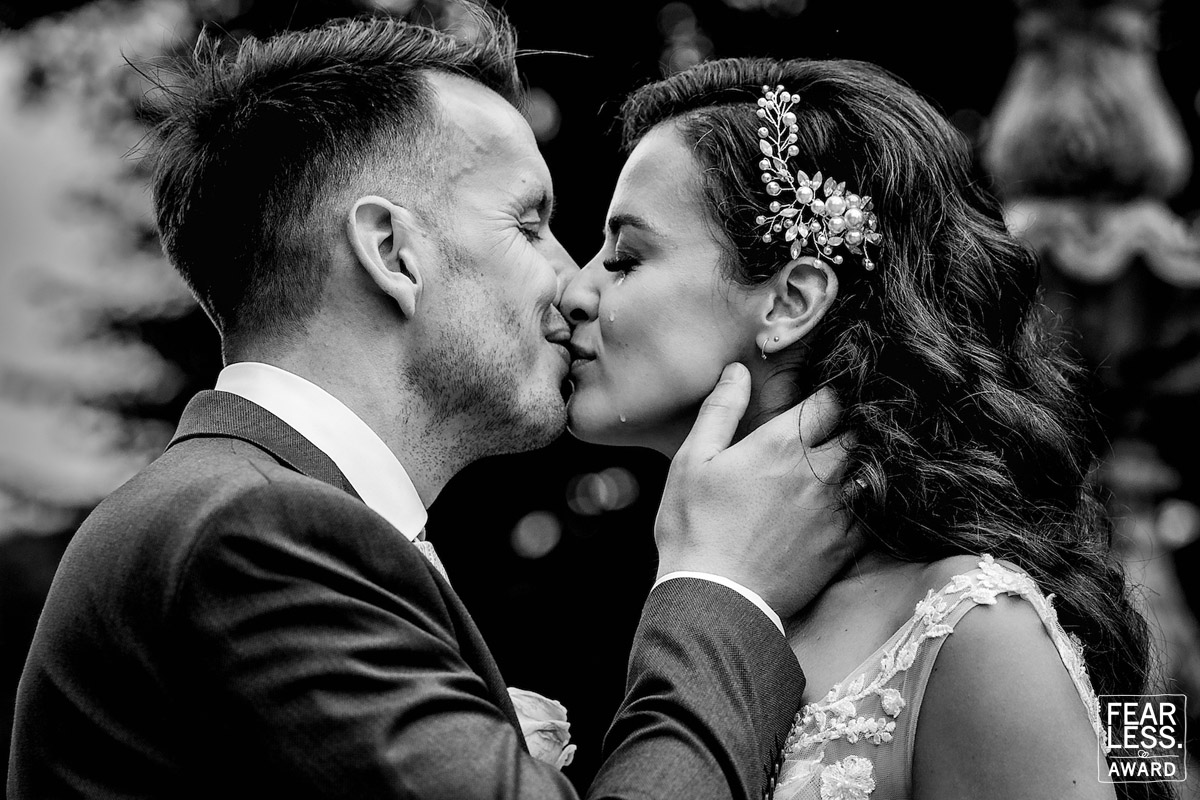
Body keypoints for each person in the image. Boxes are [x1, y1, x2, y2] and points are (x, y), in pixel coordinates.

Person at [5, 13, 859, 800]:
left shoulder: (255, 514)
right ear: (392, 252)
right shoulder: (252, 533)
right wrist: (723, 590)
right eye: (529, 225)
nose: (572, 283)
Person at [561, 56, 1167, 800]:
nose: (575, 290)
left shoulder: (974, 628)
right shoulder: (698, 590)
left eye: (624, 258)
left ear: (790, 302)